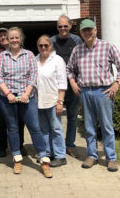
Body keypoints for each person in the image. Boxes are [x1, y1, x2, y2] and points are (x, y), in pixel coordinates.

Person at [66, 19, 120, 172]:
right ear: (80, 33)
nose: (87, 33)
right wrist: (73, 83)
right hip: (85, 92)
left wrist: (117, 82)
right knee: (88, 127)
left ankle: (111, 158)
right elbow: (69, 69)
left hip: (104, 92)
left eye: (90, 30)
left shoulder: (107, 46)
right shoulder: (77, 50)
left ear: (95, 30)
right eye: (84, 31)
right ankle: (92, 155)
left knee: (106, 126)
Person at [0, 27, 52, 178]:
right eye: (11, 38)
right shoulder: (2, 56)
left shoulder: (29, 55)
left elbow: (34, 75)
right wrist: (7, 93)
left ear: (21, 39)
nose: (14, 40)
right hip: (8, 99)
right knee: (12, 129)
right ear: (7, 39)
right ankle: (17, 159)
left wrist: (27, 93)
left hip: (27, 98)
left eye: (16, 37)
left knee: (34, 128)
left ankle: (44, 160)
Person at [0, 27, 26, 158]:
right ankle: (2, 146)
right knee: (1, 121)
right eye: (0, 36)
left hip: (18, 92)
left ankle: (20, 145)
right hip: (0, 94)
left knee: (19, 120)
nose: (2, 37)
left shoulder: (21, 52)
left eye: (5, 35)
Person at [50, 14, 83, 158]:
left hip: (72, 84)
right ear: (57, 28)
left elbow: (81, 61)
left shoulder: (76, 40)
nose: (63, 29)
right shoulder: (51, 41)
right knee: (54, 116)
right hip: (56, 86)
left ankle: (70, 144)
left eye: (65, 26)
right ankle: (56, 145)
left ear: (70, 26)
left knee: (72, 116)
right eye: (60, 26)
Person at [36, 35, 67, 168]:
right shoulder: (35, 59)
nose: (43, 48)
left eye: (46, 45)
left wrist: (60, 102)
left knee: (56, 129)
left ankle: (60, 156)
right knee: (44, 130)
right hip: (39, 101)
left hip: (53, 100)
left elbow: (62, 82)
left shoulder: (57, 60)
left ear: (50, 46)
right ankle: (48, 153)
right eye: (40, 45)